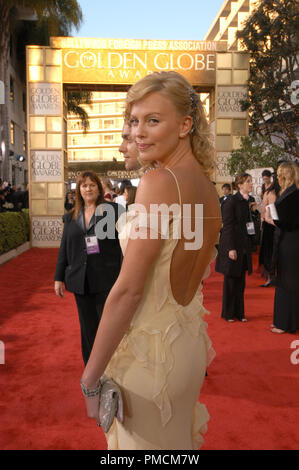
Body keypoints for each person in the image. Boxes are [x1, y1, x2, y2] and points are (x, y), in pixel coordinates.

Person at [80, 71, 222, 450]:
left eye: (153, 120)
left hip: (151, 358)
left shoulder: (160, 182)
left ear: (185, 124)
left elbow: (128, 291)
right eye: (134, 120)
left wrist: (90, 379)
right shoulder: (206, 188)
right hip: (188, 347)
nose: (138, 132)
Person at [54, 171, 123, 365]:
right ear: (79, 191)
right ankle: (91, 368)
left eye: (92, 185)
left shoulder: (113, 211)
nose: (88, 189)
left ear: (99, 189)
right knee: (87, 328)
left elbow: (124, 244)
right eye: (84, 186)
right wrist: (58, 278)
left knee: (108, 327)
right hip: (80, 280)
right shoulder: (70, 217)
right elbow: (64, 249)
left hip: (106, 279)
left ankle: (112, 366)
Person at [216, 173, 255, 322]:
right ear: (239, 185)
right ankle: (228, 313)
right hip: (233, 246)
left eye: (250, 181)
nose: (251, 184)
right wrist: (230, 248)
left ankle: (240, 313)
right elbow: (228, 227)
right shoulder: (231, 201)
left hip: (244, 246)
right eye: (248, 182)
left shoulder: (247, 201)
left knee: (241, 282)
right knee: (231, 281)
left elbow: (248, 225)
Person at [265, 162, 299, 334]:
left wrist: (274, 220)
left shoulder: (294, 194)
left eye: (279, 174)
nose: (277, 178)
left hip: (291, 242)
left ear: (287, 175)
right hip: (286, 240)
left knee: (289, 281)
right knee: (283, 280)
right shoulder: (287, 192)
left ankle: (287, 323)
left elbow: (291, 221)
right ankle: (281, 320)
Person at [259, 174, 280, 286]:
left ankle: (271, 276)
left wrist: (263, 222)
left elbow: (263, 210)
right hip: (279, 225)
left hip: (270, 225)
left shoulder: (268, 192)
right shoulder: (285, 192)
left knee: (270, 251)